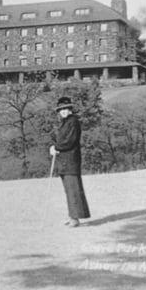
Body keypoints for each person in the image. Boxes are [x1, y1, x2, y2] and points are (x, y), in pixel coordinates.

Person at [49, 97, 91, 228]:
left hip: (71, 160)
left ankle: (75, 218)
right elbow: (63, 140)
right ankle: (72, 215)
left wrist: (56, 147)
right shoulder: (65, 122)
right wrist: (55, 146)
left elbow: (69, 141)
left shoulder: (73, 121)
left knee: (73, 189)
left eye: (65, 109)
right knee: (69, 190)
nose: (63, 111)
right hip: (65, 161)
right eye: (61, 109)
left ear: (70, 109)